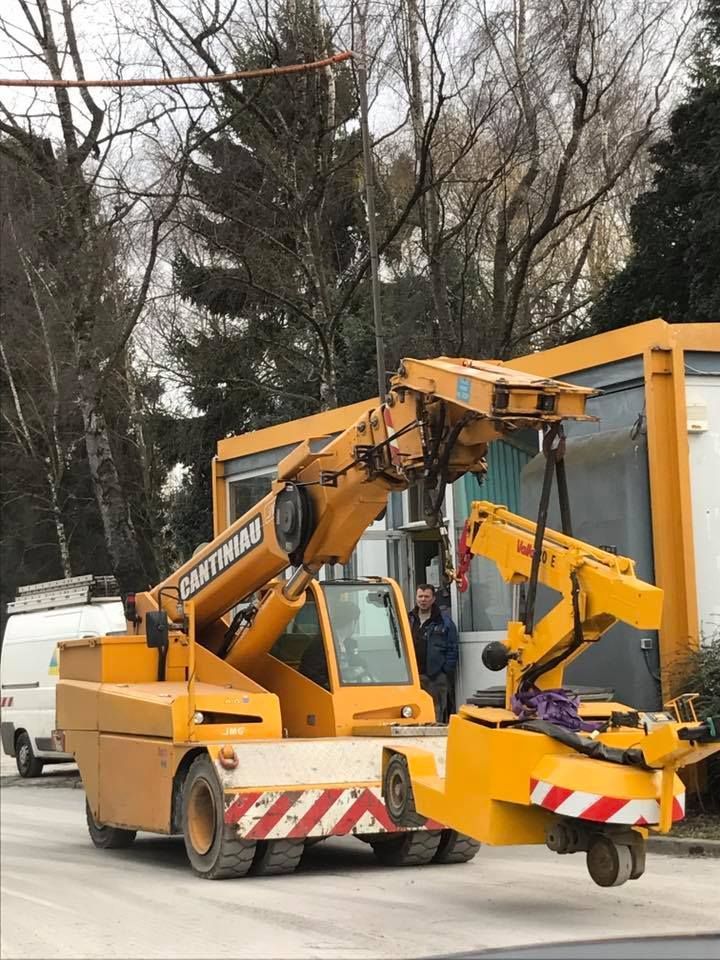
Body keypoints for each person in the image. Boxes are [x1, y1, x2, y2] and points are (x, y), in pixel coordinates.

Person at [407, 583, 458, 722]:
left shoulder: (444, 622)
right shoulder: (408, 619)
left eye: (426, 596)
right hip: (413, 676)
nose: (423, 600)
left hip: (435, 677)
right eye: (420, 596)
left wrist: (445, 671)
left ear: (433, 599)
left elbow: (452, 648)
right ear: (416, 598)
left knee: (437, 712)